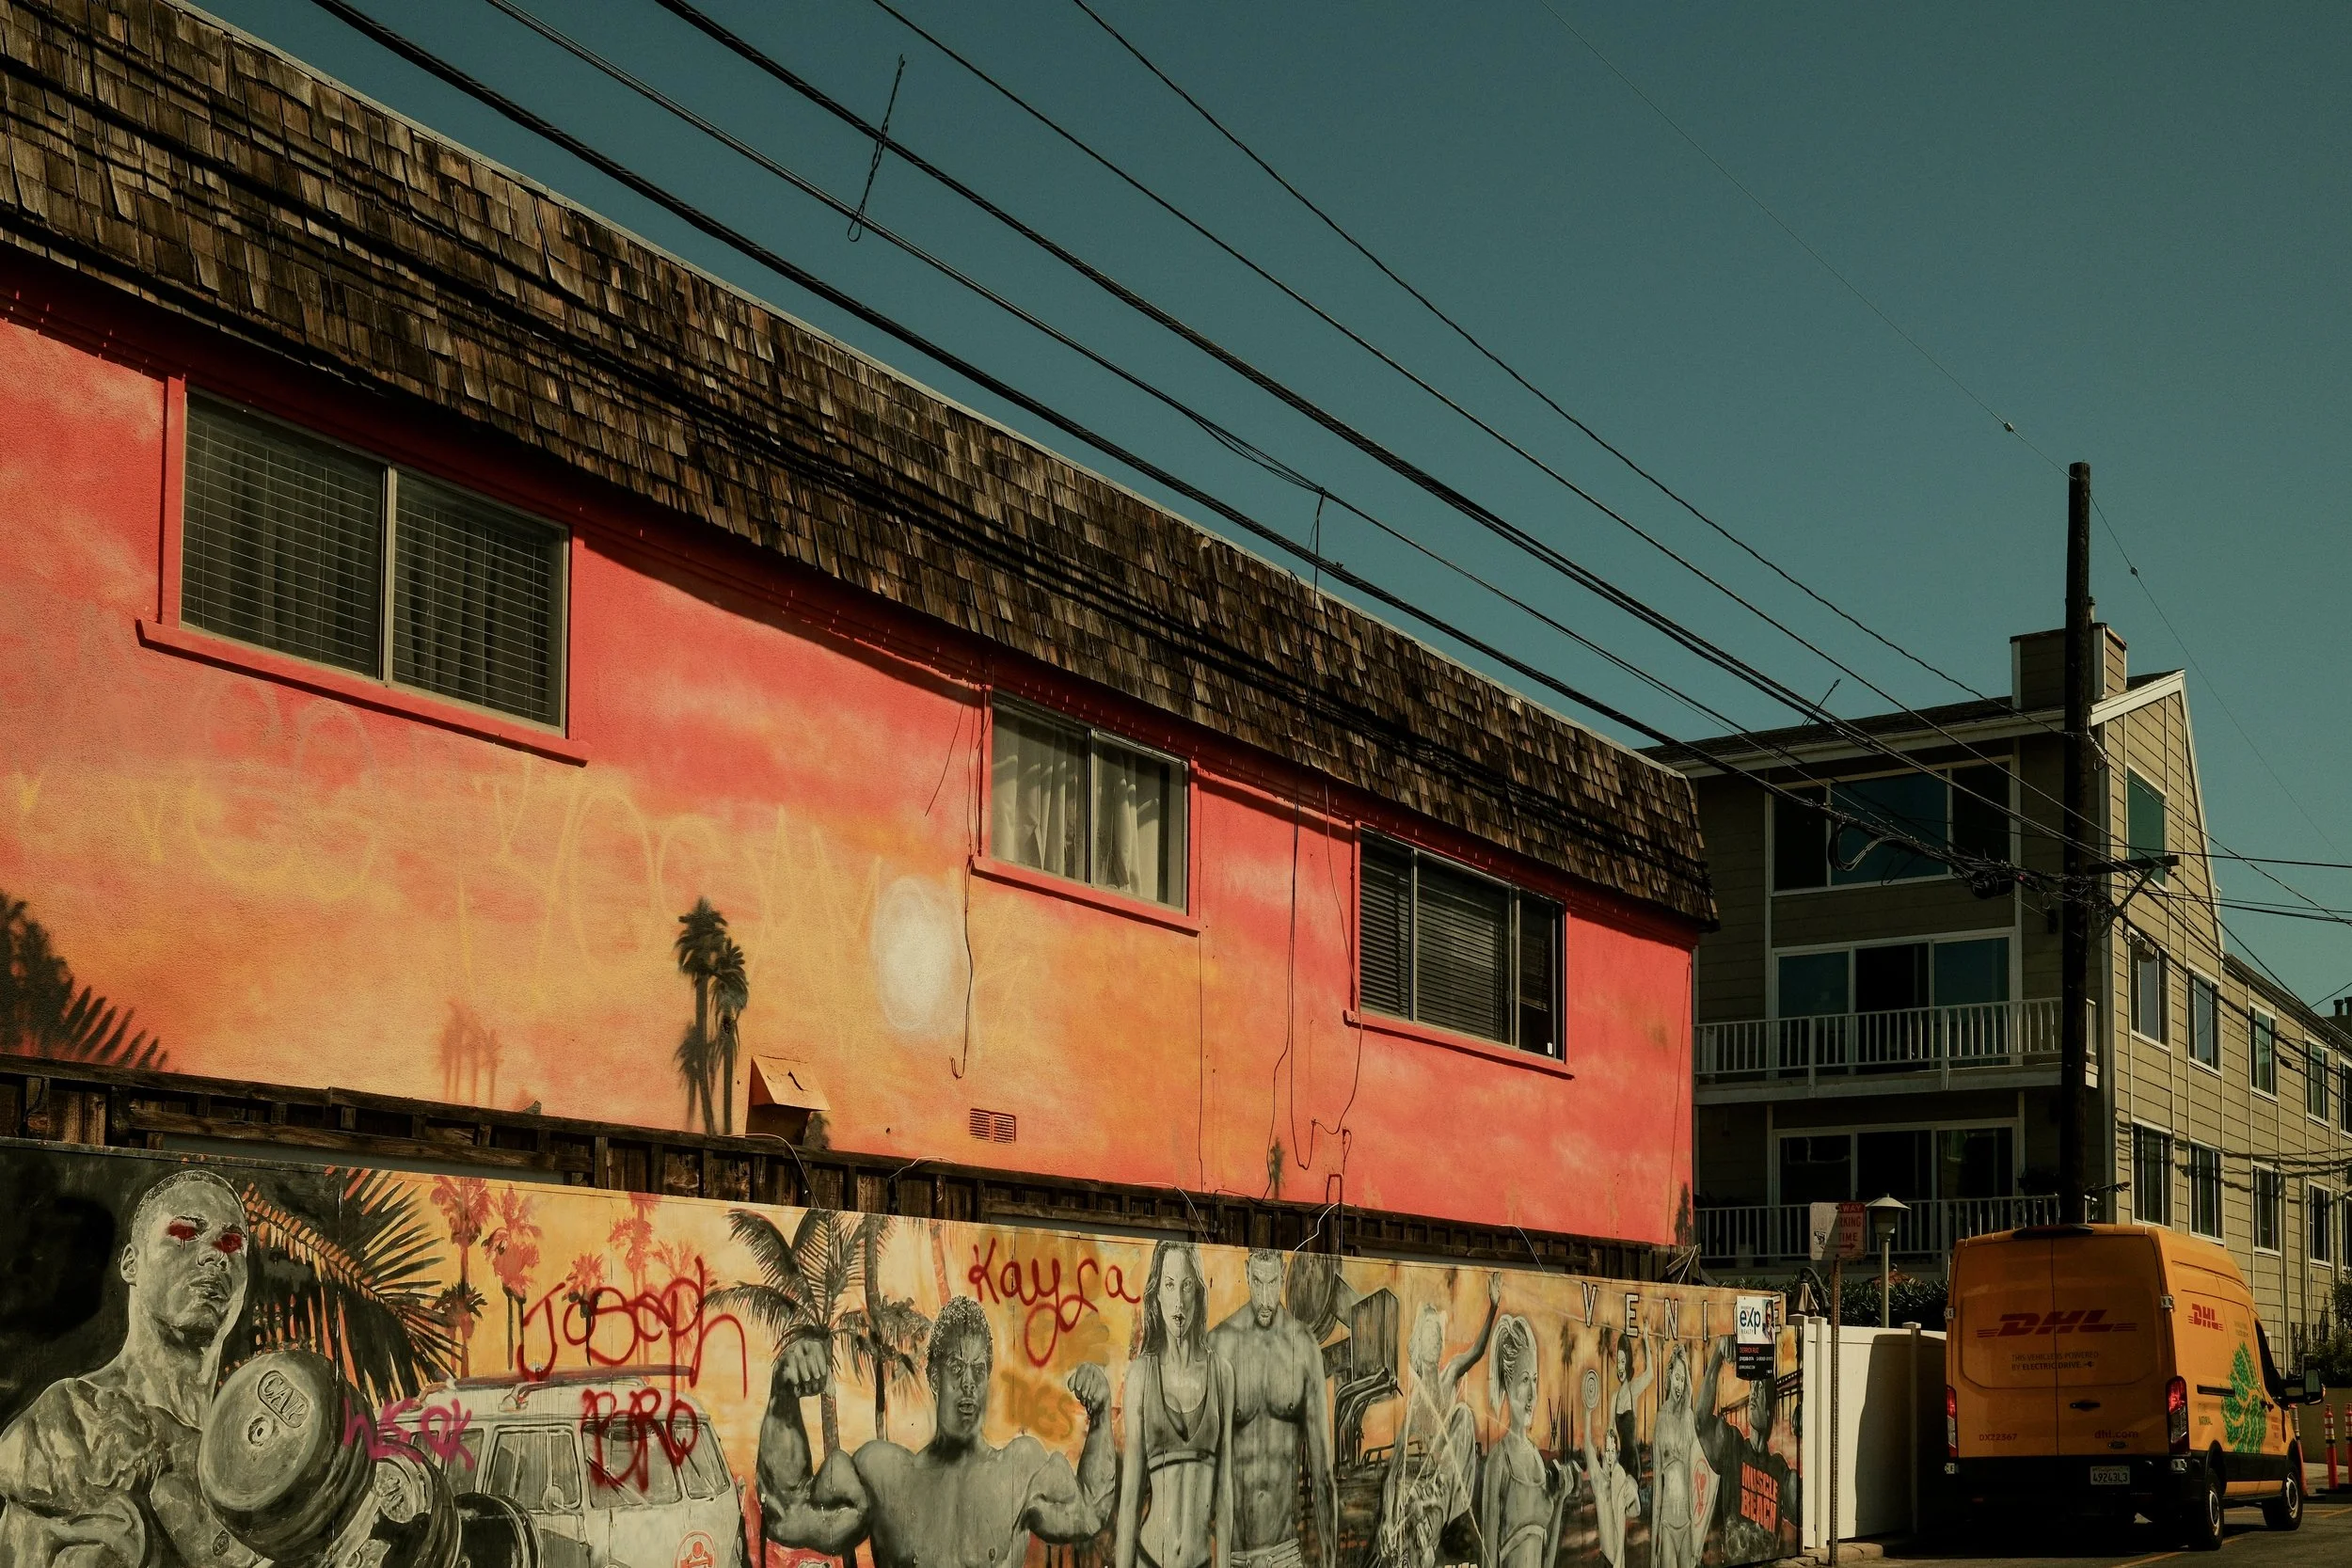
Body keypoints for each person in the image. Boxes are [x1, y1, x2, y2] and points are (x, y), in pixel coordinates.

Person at [0, 1167, 262, 1568]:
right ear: (130, 1264)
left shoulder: (257, 1452)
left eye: (231, 1242)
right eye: (185, 1233)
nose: (215, 1255)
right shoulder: (67, 1423)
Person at [758, 1294, 1116, 1568]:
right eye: (956, 1368)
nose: (968, 1383)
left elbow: (1088, 1514)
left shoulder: (1018, 1472)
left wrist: (1100, 1416)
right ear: (934, 1377)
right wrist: (782, 1397)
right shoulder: (886, 1477)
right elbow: (789, 1517)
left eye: (978, 1370)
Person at [1210, 1250, 1336, 1568]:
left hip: (1286, 1554)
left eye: (1272, 1283)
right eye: (1257, 1282)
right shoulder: (1221, 1344)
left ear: (1283, 1273)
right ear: (1246, 1272)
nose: (1266, 1299)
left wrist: (1330, 1563)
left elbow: (1323, 1473)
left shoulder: (1304, 1347)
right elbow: (1204, 1466)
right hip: (1233, 1557)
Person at [1116, 1240, 1234, 1568]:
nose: (1178, 1301)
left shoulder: (1221, 1375)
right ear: (1156, 1294)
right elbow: (1130, 1500)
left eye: (1186, 1285)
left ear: (1199, 1292)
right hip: (1150, 1559)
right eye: (1169, 1285)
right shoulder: (1141, 1376)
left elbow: (1224, 1495)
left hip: (1201, 1561)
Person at [1376, 1273, 1500, 1568]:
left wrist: (1494, 1307)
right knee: (1408, 1506)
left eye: (1436, 1334)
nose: (1434, 1340)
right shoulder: (1415, 1407)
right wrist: (1386, 1519)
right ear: (1418, 1345)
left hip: (1448, 1487)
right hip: (1428, 1494)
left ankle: (1426, 1521)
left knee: (1463, 1415)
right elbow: (1393, 1471)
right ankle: (1415, 1545)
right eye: (1428, 1334)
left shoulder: (1450, 1373)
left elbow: (1477, 1351)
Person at [1475, 1314, 1568, 1568]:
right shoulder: (1498, 1463)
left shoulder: (1538, 1461)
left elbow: (1547, 1562)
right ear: (1508, 1381)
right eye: (1525, 1380)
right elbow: (1488, 1561)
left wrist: (1560, 1501)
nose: (1532, 1395)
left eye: (1535, 1380)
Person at [1646, 1344, 1717, 1568]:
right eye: (1677, 1377)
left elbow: (1699, 1477)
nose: (1679, 1385)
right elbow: (1658, 1488)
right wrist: (1653, 1547)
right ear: (1669, 1376)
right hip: (1667, 1525)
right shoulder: (1661, 1420)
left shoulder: (1689, 1419)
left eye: (1683, 1380)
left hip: (1688, 1525)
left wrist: (1698, 1535)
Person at [1578, 1368, 1640, 1568]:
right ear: (1604, 1453)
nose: (1611, 1455)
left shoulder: (1619, 1479)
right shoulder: (1598, 1480)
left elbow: (1634, 1513)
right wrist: (1588, 1412)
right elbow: (1588, 1445)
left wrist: (1632, 1491)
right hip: (1605, 1559)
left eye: (1614, 1451)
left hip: (1617, 1562)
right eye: (1608, 1450)